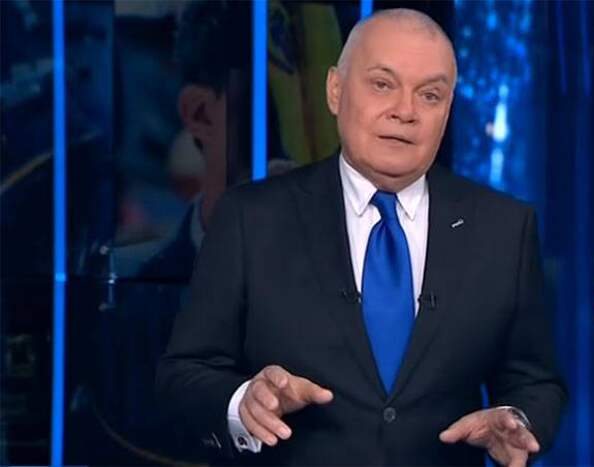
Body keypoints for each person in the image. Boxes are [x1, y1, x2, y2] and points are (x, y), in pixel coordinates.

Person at [157, 8, 567, 466]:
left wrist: (518, 420)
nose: (405, 112)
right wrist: (243, 403)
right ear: (335, 90)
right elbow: (184, 374)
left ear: (448, 109)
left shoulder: (504, 228)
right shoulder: (250, 218)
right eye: (382, 85)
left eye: (430, 95)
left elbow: (537, 382)